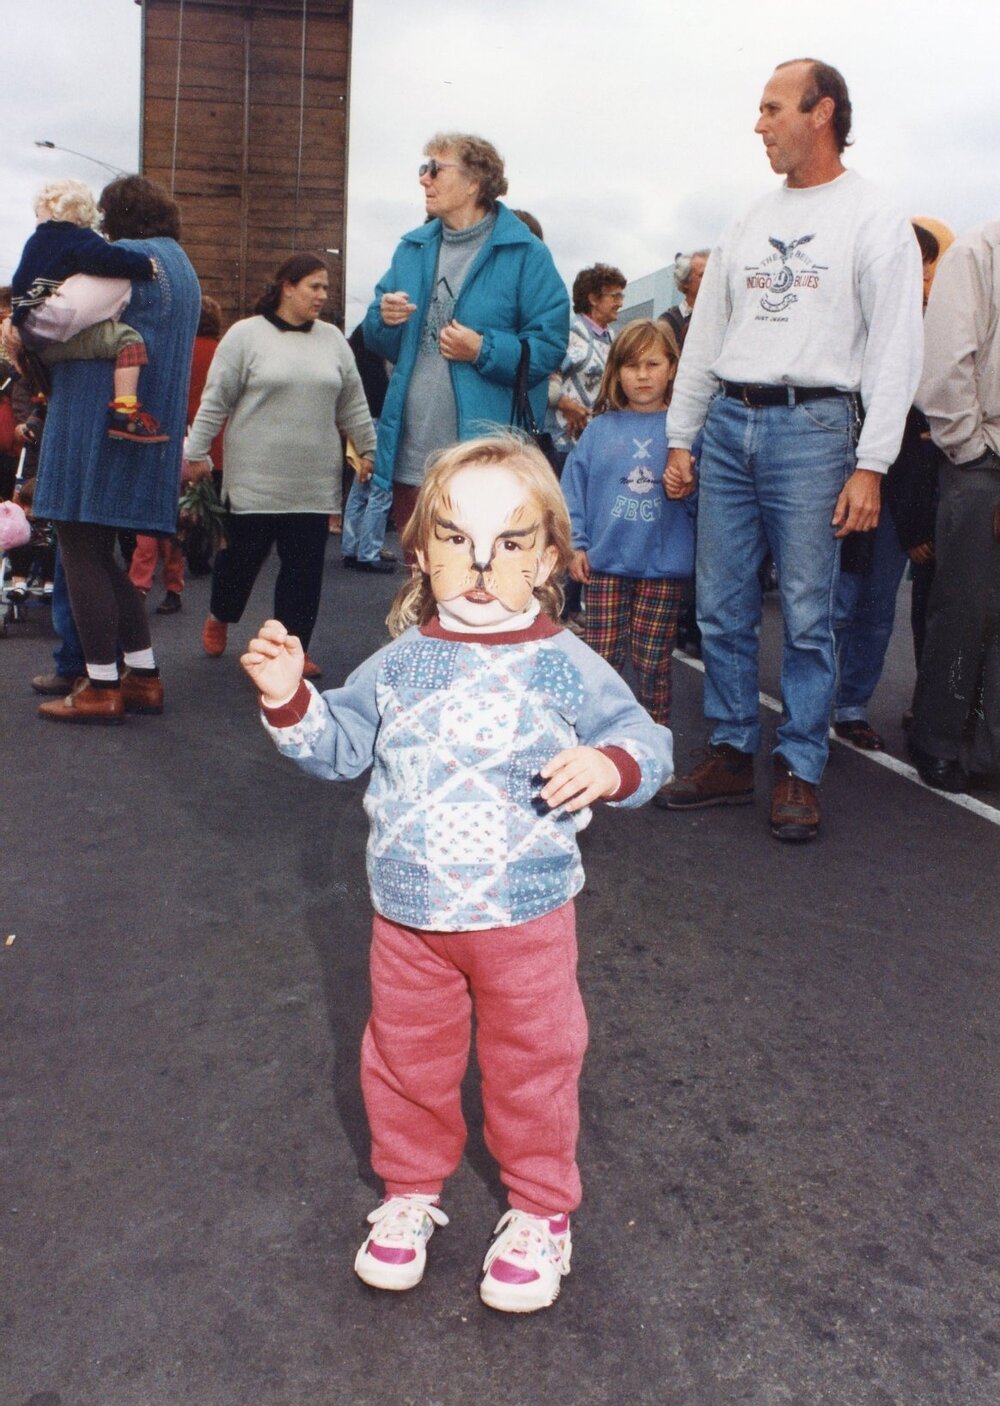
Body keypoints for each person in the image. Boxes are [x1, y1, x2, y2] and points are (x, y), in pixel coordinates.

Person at [240, 435, 672, 1315]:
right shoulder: (398, 664)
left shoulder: (566, 661)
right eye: (455, 539)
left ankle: (542, 1212)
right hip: (409, 917)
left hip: (527, 916)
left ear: (549, 555)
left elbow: (648, 740)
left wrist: (609, 765)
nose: (481, 564)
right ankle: (408, 1192)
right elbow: (339, 751)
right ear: (421, 552)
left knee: (535, 1065)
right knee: (404, 1060)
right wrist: (291, 697)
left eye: (510, 542)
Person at [662, 58, 923, 840]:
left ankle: (800, 765)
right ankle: (734, 750)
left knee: (808, 613)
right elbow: (708, 336)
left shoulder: (875, 216)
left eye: (773, 108)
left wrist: (872, 463)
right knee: (720, 606)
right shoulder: (746, 219)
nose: (759, 124)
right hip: (729, 423)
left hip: (814, 431)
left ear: (823, 113)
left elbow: (895, 349)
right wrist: (683, 435)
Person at [28, 175, 200, 724]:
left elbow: (49, 317)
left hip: (92, 424)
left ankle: (100, 684)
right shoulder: (184, 268)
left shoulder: (123, 258)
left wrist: (25, 329)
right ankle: (143, 675)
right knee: (104, 556)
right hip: (148, 425)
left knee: (80, 547)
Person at [361, 133, 569, 541]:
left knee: (478, 583)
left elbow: (549, 347)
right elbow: (376, 337)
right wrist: (385, 320)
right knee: (421, 581)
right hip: (412, 458)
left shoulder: (526, 254)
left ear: (475, 182)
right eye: (423, 168)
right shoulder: (411, 249)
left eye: (435, 168)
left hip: (485, 460)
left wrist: (483, 349)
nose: (424, 179)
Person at [186, 254, 376, 677]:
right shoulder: (244, 336)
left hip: (312, 480)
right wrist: (196, 453)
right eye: (315, 286)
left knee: (304, 571)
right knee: (240, 563)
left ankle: (294, 649)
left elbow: (353, 402)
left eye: (326, 288)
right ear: (287, 286)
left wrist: (369, 449)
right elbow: (215, 398)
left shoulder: (332, 341)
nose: (323, 296)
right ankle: (221, 612)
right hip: (254, 478)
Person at [832, 222, 947, 751]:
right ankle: (812, 699)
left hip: (897, 500)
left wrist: (915, 518)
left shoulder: (936, 330)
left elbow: (927, 436)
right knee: (833, 603)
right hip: (838, 483)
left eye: (923, 265)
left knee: (876, 609)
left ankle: (852, 704)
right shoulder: (850, 321)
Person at [561, 319, 693, 728]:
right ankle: (600, 741)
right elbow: (572, 492)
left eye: (653, 364)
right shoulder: (599, 429)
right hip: (605, 566)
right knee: (602, 659)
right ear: (616, 370)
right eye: (631, 365)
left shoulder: (685, 433)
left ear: (672, 368)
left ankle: (654, 743)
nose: (642, 375)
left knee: (653, 663)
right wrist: (576, 544)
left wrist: (689, 486)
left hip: (661, 569)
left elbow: (704, 499)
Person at [907, 220, 1000, 792]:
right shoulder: (976, 253)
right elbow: (943, 369)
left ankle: (989, 750)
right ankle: (938, 740)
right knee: (964, 611)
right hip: (981, 455)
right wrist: (973, 455)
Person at [7, 178, 168, 444]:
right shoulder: (77, 237)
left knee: (55, 359)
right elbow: (105, 259)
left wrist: (16, 319)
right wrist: (145, 266)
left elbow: (19, 282)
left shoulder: (34, 242)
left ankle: (41, 410)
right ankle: (125, 412)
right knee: (128, 341)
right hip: (53, 321)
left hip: (31, 329)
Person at [546, 263, 627, 462]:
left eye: (621, 296)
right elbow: (543, 377)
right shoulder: (569, 332)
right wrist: (564, 403)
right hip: (562, 445)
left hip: (597, 445)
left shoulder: (613, 338)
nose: (620, 303)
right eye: (614, 296)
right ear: (593, 299)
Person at [340, 323, 394, 574]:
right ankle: (369, 551)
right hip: (380, 418)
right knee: (381, 488)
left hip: (362, 418)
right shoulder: (380, 334)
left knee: (360, 487)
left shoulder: (357, 343)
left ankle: (350, 547)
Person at [659, 249, 709, 353]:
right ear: (685, 281)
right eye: (703, 275)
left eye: (712, 274)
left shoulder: (722, 318)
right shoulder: (668, 322)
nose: (711, 279)